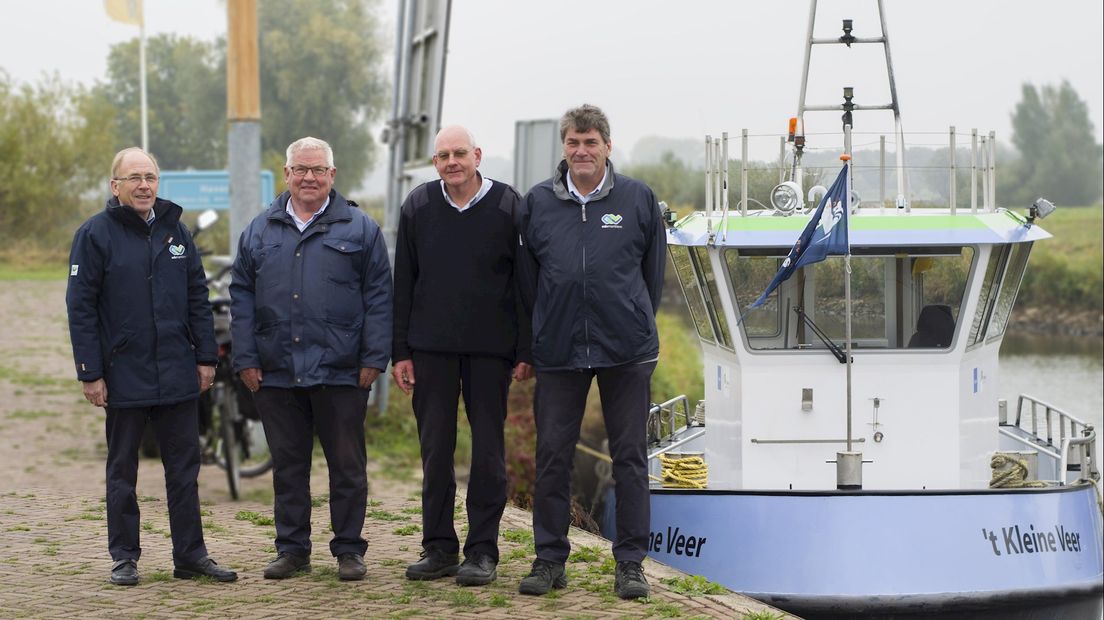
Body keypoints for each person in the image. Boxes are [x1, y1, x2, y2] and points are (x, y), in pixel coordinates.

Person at [66, 147, 238, 586]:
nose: (144, 185)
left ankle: (190, 556)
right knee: (123, 471)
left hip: (178, 372)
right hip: (123, 373)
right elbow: (81, 307)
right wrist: (90, 371)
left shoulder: (176, 231)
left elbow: (197, 297)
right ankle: (125, 557)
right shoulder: (95, 235)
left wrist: (204, 357)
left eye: (151, 177)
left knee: (185, 470)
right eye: (135, 178)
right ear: (115, 186)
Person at [516, 105, 666, 599]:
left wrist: (633, 322)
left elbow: (652, 277)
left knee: (629, 458)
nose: (582, 151)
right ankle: (549, 559)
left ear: (607, 146)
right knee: (553, 456)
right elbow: (528, 281)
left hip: (626, 350)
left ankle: (630, 564)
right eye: (573, 143)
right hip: (558, 350)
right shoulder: (537, 203)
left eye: (591, 143)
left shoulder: (638, 199)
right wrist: (537, 337)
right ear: (564, 148)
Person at [230, 137, 392, 582]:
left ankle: (348, 550)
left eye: (317, 170)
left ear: (332, 176)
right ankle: (292, 548)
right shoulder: (259, 231)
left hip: (342, 371)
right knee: (289, 466)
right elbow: (240, 296)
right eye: (300, 169)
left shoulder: (361, 229)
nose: (308, 178)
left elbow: (380, 298)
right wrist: (245, 357)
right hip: (276, 370)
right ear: (286, 175)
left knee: (347, 466)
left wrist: (374, 358)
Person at [392, 126, 533, 587]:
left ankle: (482, 552)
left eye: (459, 154)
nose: (451, 162)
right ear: (435, 162)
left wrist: (524, 349)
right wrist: (401, 352)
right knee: (436, 452)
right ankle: (438, 549)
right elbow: (404, 284)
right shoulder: (418, 206)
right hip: (430, 349)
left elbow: (524, 287)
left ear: (477, 155)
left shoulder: (509, 206)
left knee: (488, 452)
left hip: (491, 350)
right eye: (442, 156)